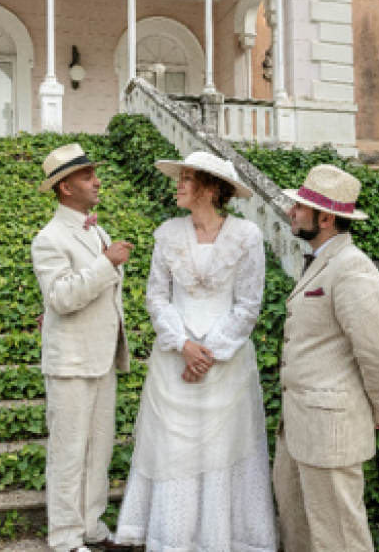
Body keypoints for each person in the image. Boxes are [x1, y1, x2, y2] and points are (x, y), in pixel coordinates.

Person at [113, 151, 277, 552]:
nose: (179, 185)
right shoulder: (167, 233)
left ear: (209, 187)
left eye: (187, 178)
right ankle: (173, 538)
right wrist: (184, 346)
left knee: (222, 448)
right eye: (180, 177)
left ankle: (221, 538)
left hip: (227, 364)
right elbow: (156, 297)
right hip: (174, 360)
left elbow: (247, 305)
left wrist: (210, 353)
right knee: (172, 447)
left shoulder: (246, 236)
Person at [274, 164, 379, 552]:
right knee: (299, 533)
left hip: (330, 430)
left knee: (340, 538)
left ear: (325, 218)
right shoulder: (320, 262)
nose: (291, 212)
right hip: (299, 426)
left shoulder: (352, 269)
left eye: (300, 207)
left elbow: (377, 351)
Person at [31, 143, 133, 552]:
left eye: (94, 173)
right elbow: (61, 298)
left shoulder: (95, 228)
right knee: (69, 453)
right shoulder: (49, 238)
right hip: (71, 362)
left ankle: (91, 527)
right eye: (88, 176)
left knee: (98, 449)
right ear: (65, 188)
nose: (97, 181)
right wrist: (107, 263)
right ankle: (65, 538)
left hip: (100, 356)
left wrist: (104, 260)